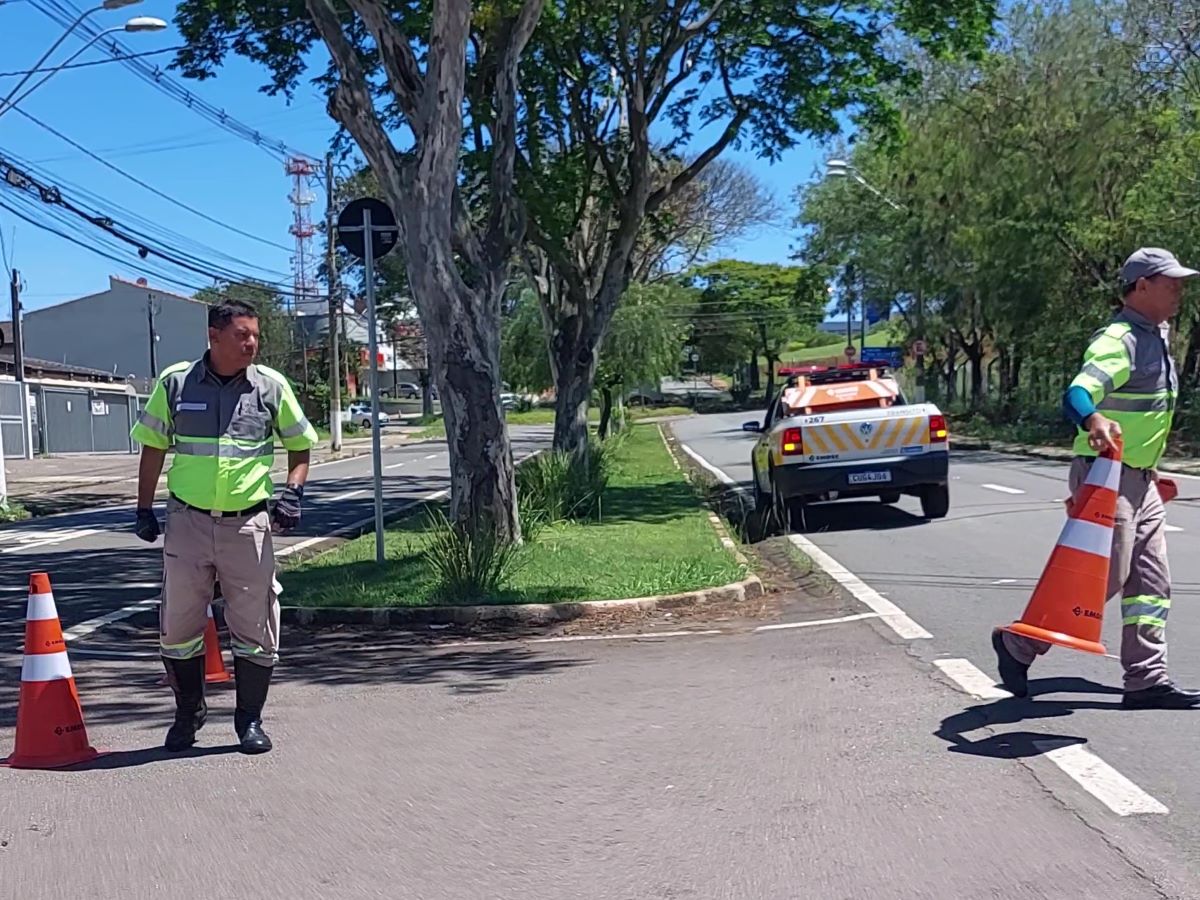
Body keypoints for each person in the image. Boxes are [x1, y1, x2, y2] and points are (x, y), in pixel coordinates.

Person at [993, 247, 1200, 709]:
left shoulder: (1156, 336)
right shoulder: (1119, 339)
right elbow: (1077, 393)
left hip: (1139, 478)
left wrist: (1149, 468)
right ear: (1141, 286)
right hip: (1106, 475)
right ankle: (1018, 644)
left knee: (1151, 582)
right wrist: (1093, 419)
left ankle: (1146, 679)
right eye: (1170, 283)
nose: (1179, 291)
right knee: (1101, 577)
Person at [130, 300, 318, 752]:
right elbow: (153, 448)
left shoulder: (270, 387)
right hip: (188, 523)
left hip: (248, 525)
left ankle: (249, 721)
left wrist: (293, 492)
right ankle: (187, 714)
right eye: (242, 335)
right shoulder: (175, 383)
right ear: (213, 336)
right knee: (178, 627)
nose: (252, 343)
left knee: (256, 626)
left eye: (255, 335)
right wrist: (143, 509)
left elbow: (300, 446)